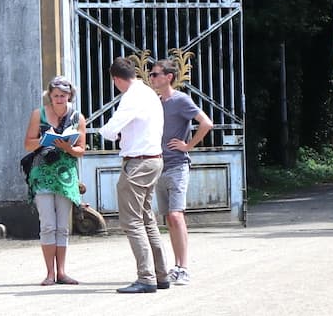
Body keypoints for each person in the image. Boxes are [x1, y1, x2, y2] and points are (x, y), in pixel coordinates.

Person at [98, 56, 169, 294]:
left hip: (137, 164)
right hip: (154, 161)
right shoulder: (148, 93)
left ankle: (146, 277)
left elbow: (110, 129)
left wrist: (101, 130)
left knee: (132, 221)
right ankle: (161, 274)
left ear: (116, 79)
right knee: (147, 219)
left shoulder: (131, 97)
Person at [149, 58, 213, 286]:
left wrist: (188, 145)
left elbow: (206, 123)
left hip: (177, 164)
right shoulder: (156, 102)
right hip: (159, 165)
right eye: (151, 74)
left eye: (156, 74)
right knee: (169, 219)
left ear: (169, 77)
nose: (152, 77)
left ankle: (184, 267)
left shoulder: (181, 100)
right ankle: (176, 266)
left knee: (176, 215)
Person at [23, 75, 86, 286]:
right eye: (55, 95)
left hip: (66, 176)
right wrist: (44, 139)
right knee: (48, 224)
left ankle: (62, 272)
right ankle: (49, 273)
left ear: (70, 96)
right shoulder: (37, 114)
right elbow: (27, 145)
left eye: (63, 95)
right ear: (49, 96)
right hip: (42, 175)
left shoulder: (78, 117)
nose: (59, 99)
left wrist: (68, 147)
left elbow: (81, 150)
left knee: (62, 227)